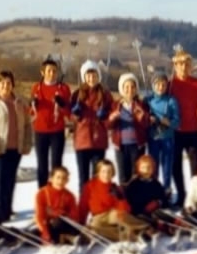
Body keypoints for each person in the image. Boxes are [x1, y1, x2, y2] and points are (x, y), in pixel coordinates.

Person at [0, 70, 33, 220]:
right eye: (2, 83)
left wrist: (28, 144)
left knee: (10, 180)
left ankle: (8, 209)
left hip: (16, 148)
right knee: (1, 181)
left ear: (12, 85)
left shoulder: (20, 102)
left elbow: (28, 125)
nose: (5, 86)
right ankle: (0, 213)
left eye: (8, 83)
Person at [168, 47, 197, 207]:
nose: (183, 67)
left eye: (186, 64)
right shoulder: (170, 85)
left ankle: (194, 196)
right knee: (175, 165)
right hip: (176, 132)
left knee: (195, 167)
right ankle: (181, 194)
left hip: (193, 131)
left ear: (190, 66)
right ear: (175, 66)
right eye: (180, 64)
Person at [79, 159, 149, 242]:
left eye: (109, 171)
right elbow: (83, 206)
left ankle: (146, 228)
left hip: (112, 215)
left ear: (112, 173)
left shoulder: (114, 187)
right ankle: (130, 235)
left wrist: (120, 198)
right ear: (98, 172)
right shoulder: (90, 186)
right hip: (98, 217)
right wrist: (80, 223)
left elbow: (126, 210)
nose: (106, 174)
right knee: (93, 228)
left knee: (118, 215)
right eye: (103, 171)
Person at [70, 60, 114, 192]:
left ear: (98, 76)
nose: (91, 78)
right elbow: (70, 115)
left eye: (94, 75)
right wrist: (75, 113)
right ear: (84, 77)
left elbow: (111, 117)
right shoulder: (77, 94)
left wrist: (105, 116)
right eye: (88, 75)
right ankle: (84, 205)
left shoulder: (105, 95)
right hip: (82, 140)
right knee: (83, 177)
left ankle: (98, 204)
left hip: (98, 141)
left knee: (98, 176)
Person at [30, 57, 72, 189]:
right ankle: (43, 192)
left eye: (54, 71)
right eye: (48, 71)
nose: (51, 73)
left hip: (56, 131)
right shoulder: (36, 88)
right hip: (40, 131)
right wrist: (33, 104)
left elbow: (68, 112)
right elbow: (32, 112)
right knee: (42, 165)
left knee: (56, 165)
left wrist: (62, 104)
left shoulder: (63, 88)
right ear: (42, 72)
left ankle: (57, 191)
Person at [108, 73, 151, 184]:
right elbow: (108, 125)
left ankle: (136, 199)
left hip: (137, 145)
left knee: (136, 174)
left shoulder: (141, 104)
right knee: (123, 175)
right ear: (122, 88)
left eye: (132, 86)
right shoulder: (116, 104)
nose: (129, 90)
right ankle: (124, 199)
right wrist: (113, 117)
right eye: (126, 87)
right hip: (120, 145)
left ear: (136, 88)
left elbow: (147, 124)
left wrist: (141, 116)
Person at [145, 68, 180, 195]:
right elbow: (142, 117)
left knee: (167, 166)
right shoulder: (148, 100)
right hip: (153, 138)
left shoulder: (171, 101)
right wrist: (149, 119)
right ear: (153, 85)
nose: (160, 87)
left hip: (167, 139)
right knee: (153, 166)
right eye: (157, 84)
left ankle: (166, 190)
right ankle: (153, 191)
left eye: (163, 84)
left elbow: (177, 122)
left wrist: (169, 122)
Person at [35, 166, 80, 244]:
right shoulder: (42, 193)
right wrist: (45, 232)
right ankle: (62, 238)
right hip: (48, 225)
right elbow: (39, 216)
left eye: (64, 178)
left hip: (63, 224)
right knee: (33, 234)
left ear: (67, 180)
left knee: (58, 222)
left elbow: (75, 217)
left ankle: (63, 237)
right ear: (51, 179)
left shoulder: (69, 195)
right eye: (58, 177)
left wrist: (61, 213)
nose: (60, 181)